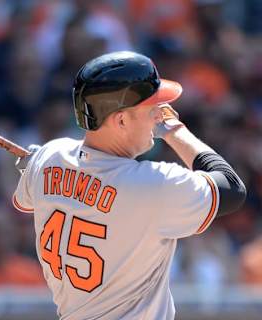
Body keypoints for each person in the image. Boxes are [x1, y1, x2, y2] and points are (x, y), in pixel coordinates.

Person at [12, 51, 246, 320]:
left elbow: (27, 201)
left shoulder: (50, 156)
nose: (159, 116)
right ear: (121, 120)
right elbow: (231, 188)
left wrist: (36, 166)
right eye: (152, 109)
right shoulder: (152, 185)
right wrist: (176, 130)